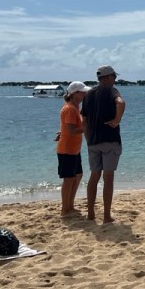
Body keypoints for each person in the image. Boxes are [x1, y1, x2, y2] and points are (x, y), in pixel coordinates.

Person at [81, 65, 126, 223]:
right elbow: (121, 103)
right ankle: (106, 215)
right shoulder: (111, 91)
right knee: (108, 178)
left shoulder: (88, 94)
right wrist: (117, 120)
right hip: (110, 140)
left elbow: (84, 121)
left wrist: (88, 138)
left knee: (94, 176)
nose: (115, 80)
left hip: (93, 141)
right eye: (114, 76)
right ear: (108, 77)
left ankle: (91, 213)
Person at [57, 81, 89, 218]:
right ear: (74, 94)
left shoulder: (75, 107)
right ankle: (65, 209)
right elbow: (71, 130)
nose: (85, 94)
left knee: (78, 175)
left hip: (74, 149)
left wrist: (62, 132)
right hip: (67, 149)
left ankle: (70, 206)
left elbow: (68, 128)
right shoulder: (70, 108)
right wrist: (88, 128)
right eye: (83, 92)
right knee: (69, 179)